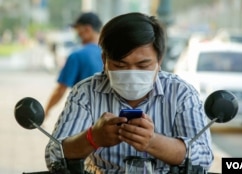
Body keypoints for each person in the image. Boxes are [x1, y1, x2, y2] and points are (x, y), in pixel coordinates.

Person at [45, 12, 213, 173]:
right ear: (104, 60)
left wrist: (153, 142)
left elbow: (204, 157)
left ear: (159, 60)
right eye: (120, 65)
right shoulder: (85, 93)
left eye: (143, 66)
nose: (132, 73)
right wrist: (92, 137)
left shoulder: (181, 94)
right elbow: (54, 154)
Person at [44, 12, 103, 118]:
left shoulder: (77, 55)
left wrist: (46, 110)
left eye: (77, 29)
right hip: (107, 116)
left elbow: (61, 89)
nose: (77, 33)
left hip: (83, 117)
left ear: (87, 29)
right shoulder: (111, 54)